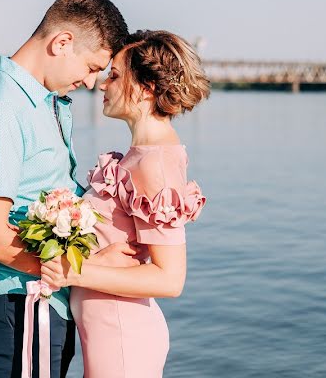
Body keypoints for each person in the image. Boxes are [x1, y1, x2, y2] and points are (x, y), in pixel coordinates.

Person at [0, 0, 138, 378]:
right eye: (91, 67)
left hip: (35, 303)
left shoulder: (41, 103)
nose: (91, 83)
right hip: (15, 303)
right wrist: (74, 270)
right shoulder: (1, 111)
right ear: (62, 42)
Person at [41, 29, 212, 378]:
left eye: (115, 76)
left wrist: (74, 271)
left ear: (147, 88)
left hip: (122, 337)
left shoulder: (155, 164)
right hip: (108, 330)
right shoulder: (139, 157)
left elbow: (170, 279)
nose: (102, 85)